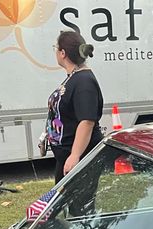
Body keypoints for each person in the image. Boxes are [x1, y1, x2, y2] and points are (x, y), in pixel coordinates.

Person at [45, 30, 104, 184]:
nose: (55, 52)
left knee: (80, 205)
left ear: (63, 53)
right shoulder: (74, 77)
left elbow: (87, 121)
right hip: (66, 155)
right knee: (63, 203)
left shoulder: (84, 81)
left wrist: (75, 155)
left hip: (80, 157)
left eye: (55, 48)